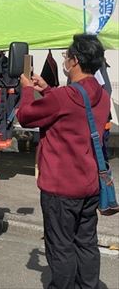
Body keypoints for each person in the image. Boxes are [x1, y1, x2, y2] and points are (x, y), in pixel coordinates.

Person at [16, 34, 110, 289]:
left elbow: (25, 116)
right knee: (86, 242)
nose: (65, 61)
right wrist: (47, 89)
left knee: (61, 245)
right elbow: (76, 109)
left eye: (66, 57)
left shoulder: (63, 97)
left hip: (61, 188)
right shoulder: (101, 94)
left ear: (75, 61)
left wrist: (27, 90)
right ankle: (88, 285)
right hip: (89, 184)